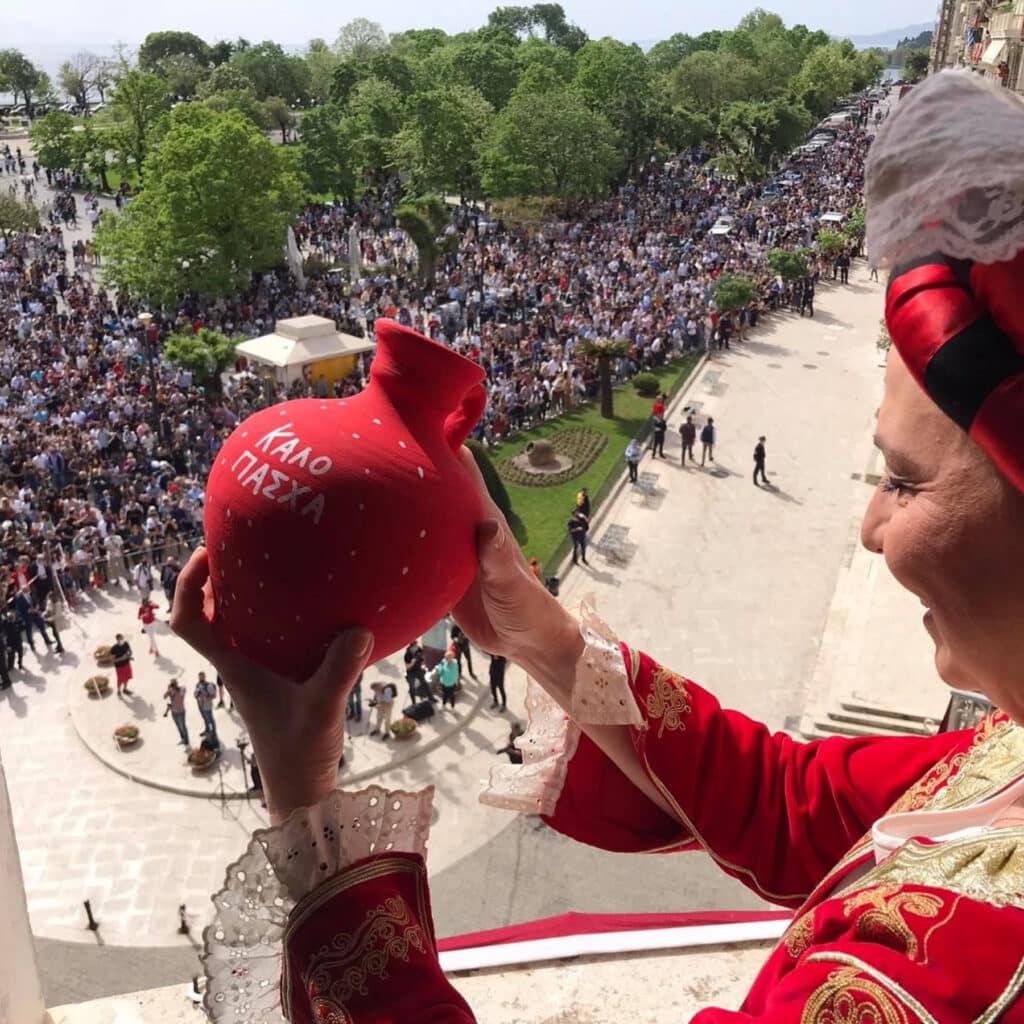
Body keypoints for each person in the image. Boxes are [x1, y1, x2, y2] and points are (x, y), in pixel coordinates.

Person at [179, 72, 1024, 1023]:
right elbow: (793, 805)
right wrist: (541, 636)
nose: (870, 528)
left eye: (904, 481)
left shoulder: (943, 988)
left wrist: (303, 798)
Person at [194, 671, 218, 745]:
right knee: (205, 719)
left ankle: (213, 733)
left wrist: (206, 695)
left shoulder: (209, 685)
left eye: (202, 676)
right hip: (200, 705)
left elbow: (214, 696)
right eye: (200, 676)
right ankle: (207, 730)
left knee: (210, 720)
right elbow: (195, 694)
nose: (201, 678)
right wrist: (196, 695)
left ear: (205, 677)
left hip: (207, 706)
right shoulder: (198, 684)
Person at [163, 679, 189, 746]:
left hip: (181, 711)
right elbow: (164, 697)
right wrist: (168, 690)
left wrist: (175, 690)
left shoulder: (181, 689)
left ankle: (186, 741)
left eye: (174, 684)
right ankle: (183, 739)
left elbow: (184, 690)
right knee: (179, 726)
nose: (173, 686)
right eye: (172, 684)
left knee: (183, 727)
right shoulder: (171, 691)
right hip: (174, 712)